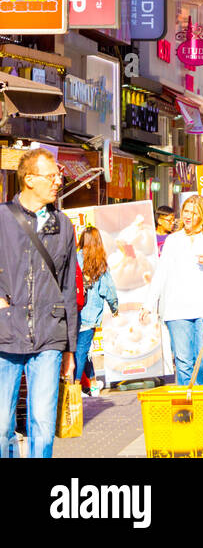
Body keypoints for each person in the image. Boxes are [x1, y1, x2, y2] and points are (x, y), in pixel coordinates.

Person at [0, 148, 78, 459]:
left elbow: (68, 287)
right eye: (52, 176)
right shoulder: (3, 218)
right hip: (5, 332)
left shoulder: (64, 225)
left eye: (59, 176)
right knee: (1, 424)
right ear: (29, 179)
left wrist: (71, 348)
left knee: (43, 424)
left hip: (49, 334)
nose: (58, 181)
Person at [140, 193, 203, 386]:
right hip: (177, 308)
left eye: (193, 213)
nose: (188, 216)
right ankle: (188, 405)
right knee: (183, 360)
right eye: (186, 211)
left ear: (202, 215)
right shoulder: (173, 240)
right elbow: (161, 273)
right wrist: (148, 304)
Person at [75, 226, 119, 395]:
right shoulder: (99, 263)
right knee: (82, 351)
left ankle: (93, 384)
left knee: (83, 350)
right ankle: (76, 387)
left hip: (73, 313)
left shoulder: (74, 259)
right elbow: (109, 290)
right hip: (90, 315)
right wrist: (115, 308)